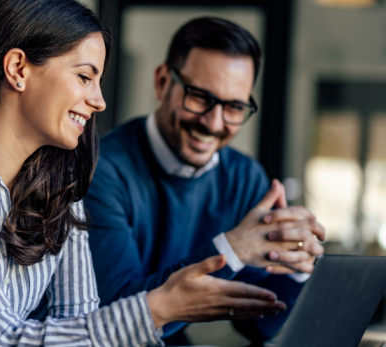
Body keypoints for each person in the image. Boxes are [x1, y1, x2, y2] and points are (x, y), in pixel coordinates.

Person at [0, 3, 288, 347]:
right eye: (84, 77)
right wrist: (158, 307)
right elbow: (0, 340)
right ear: (18, 69)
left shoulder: (59, 193)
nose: (99, 102)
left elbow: (82, 325)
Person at [84, 17, 326, 345]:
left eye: (234, 107)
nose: (214, 123)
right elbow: (115, 314)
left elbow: (257, 326)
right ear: (162, 82)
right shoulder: (99, 169)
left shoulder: (245, 177)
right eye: (199, 97)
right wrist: (232, 251)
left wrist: (298, 264)